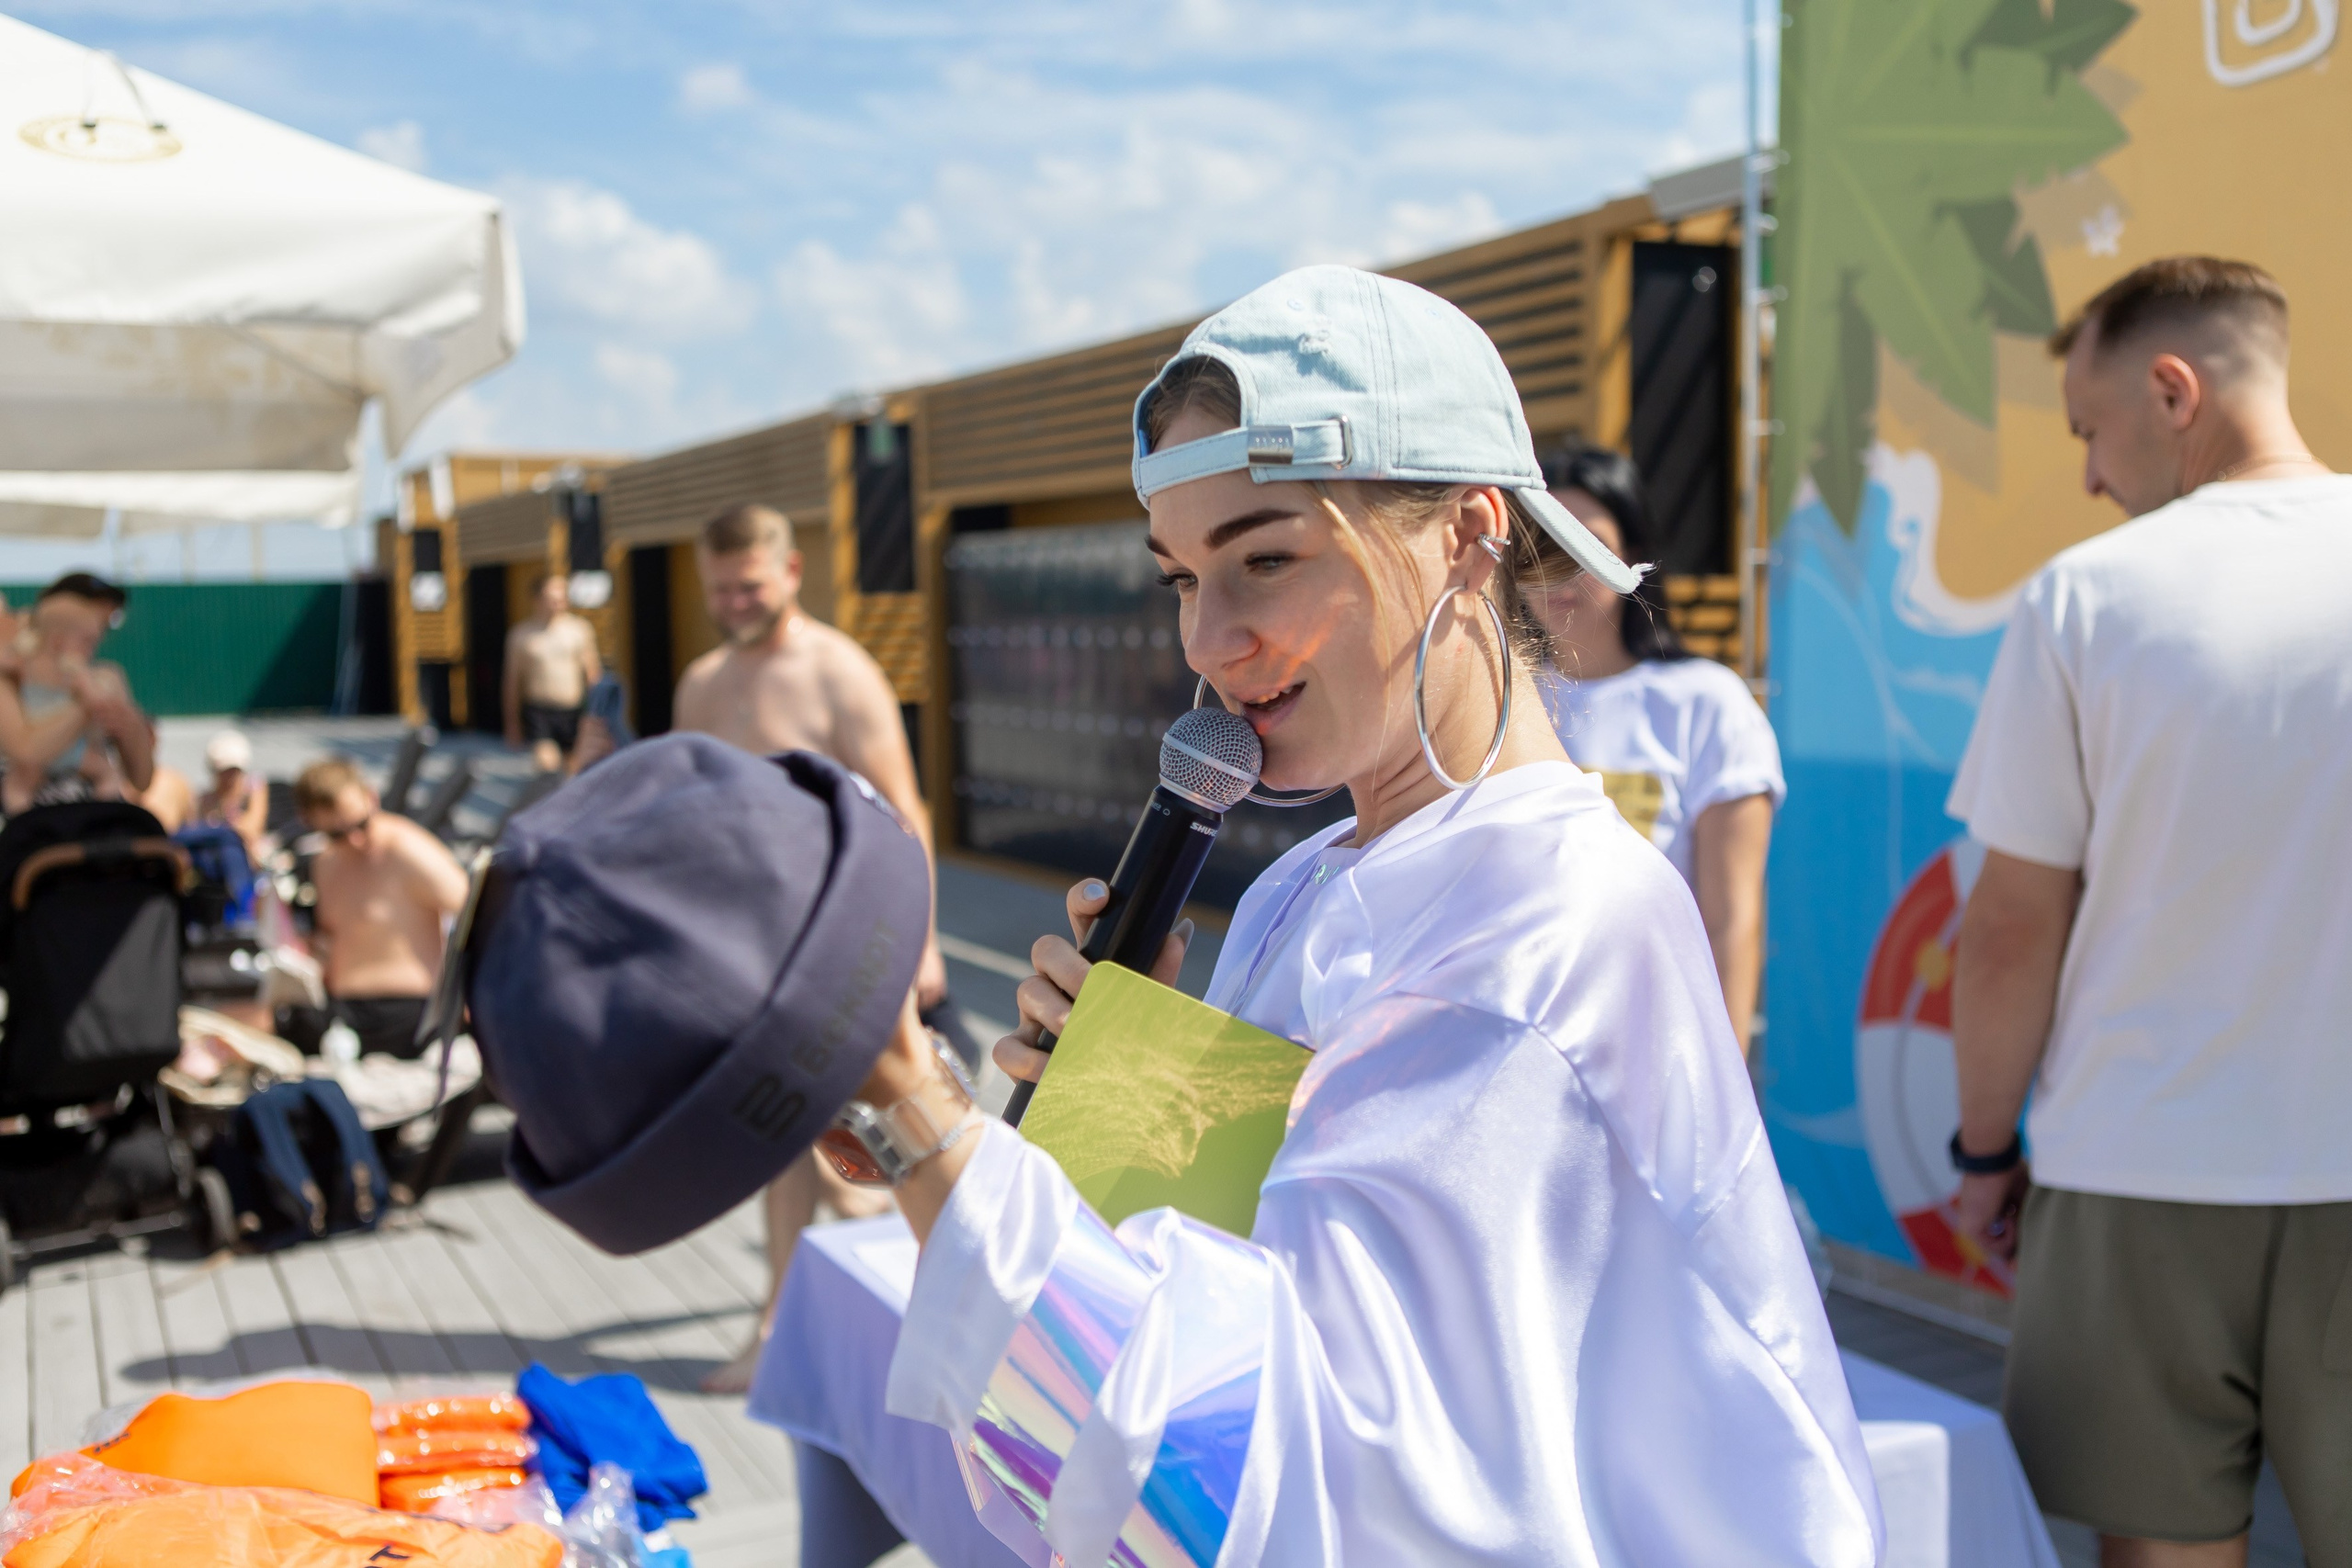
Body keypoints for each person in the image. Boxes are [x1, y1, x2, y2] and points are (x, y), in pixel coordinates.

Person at [853, 267, 1880, 1565]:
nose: (1209, 640)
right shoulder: (1303, 878)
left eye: (1264, 559)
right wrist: (1117, 1091)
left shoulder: (1551, 927)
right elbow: (1210, 1279)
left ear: (1469, 531)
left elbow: (1275, 1475)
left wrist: (921, 1123)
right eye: (1178, 578)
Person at [1949, 257, 2351, 1565]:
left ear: (2173, 389)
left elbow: (2012, 923)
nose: (2087, 473)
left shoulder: (2089, 597)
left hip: (2137, 1171)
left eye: (2088, 426)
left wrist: (1981, 1149)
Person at [665, 502, 964, 1396]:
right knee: (784, 1145)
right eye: (718, 590)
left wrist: (922, 940)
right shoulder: (702, 682)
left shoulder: (840, 672)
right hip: (754, 947)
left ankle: (942, 1333)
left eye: (749, 585)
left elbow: (904, 808)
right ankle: (779, 1330)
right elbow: (699, 816)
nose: (733, 603)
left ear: (792, 571)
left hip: (853, 938)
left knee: (894, 1142)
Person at [1529, 444, 1784, 1053]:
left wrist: (1719, 1094)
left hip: (1651, 1052)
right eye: (1542, 544)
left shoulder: (1705, 705)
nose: (1561, 568)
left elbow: (1731, 925)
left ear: (1633, 555)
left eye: (1587, 543)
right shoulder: (1487, 702)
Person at [287, 755, 469, 1060]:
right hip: (341, 1013)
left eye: (361, 824)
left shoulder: (408, 850)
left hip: (410, 1014)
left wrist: (469, 998)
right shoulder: (324, 863)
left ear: (371, 797)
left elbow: (478, 912)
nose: (356, 840)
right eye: (337, 834)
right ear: (310, 822)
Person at [0, 573, 154, 816]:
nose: (103, 630)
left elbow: (142, 779)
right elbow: (27, 753)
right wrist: (86, 706)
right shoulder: (11, 679)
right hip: (34, 828)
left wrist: (132, 727)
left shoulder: (103, 678)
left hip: (88, 822)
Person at [503, 572, 601, 773]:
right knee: (547, 768)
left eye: (562, 595)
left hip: (573, 712)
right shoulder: (521, 635)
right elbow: (512, 682)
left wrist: (596, 715)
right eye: (552, 596)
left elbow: (593, 675)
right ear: (537, 599)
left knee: (573, 771)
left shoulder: (579, 630)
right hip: (540, 712)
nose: (558, 600)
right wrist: (512, 723)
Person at [197, 728, 273, 861]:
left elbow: (252, 829)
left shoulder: (255, 788)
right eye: (223, 770)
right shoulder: (204, 800)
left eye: (234, 770)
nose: (229, 776)